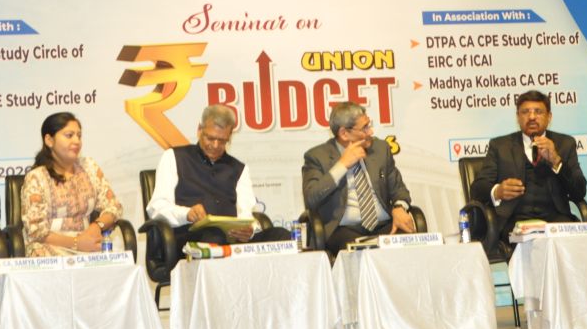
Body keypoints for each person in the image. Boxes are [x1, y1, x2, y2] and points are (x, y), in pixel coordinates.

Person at [146, 105, 291, 256]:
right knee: (214, 236)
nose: (215, 146)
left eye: (222, 141)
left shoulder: (239, 169)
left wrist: (249, 230)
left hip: (231, 241)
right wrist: (187, 213)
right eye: (210, 138)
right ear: (199, 130)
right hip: (188, 239)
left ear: (230, 137)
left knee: (281, 236)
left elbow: (246, 213)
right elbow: (156, 207)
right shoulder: (174, 157)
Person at [470, 90, 587, 248]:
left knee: (566, 246)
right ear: (518, 117)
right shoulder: (500, 146)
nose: (532, 117)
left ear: (549, 117)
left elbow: (579, 191)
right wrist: (498, 191)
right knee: (530, 245)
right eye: (525, 112)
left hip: (555, 220)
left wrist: (556, 161)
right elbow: (477, 188)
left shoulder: (565, 144)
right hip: (514, 221)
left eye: (538, 112)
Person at [301, 101, 415, 256]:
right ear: (344, 133)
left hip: (384, 225)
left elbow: (399, 189)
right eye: (364, 128)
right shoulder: (317, 156)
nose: (371, 132)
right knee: (360, 253)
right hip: (343, 230)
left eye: (369, 125)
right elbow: (311, 198)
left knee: (410, 244)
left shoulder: (380, 149)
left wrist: (399, 208)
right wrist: (342, 165)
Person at [21, 112, 123, 256]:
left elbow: (114, 207)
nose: (76, 141)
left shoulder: (89, 167)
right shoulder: (36, 177)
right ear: (49, 140)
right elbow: (36, 230)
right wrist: (77, 243)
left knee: (116, 261)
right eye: (69, 135)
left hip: (88, 244)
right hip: (49, 248)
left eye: (79, 136)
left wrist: (96, 226)